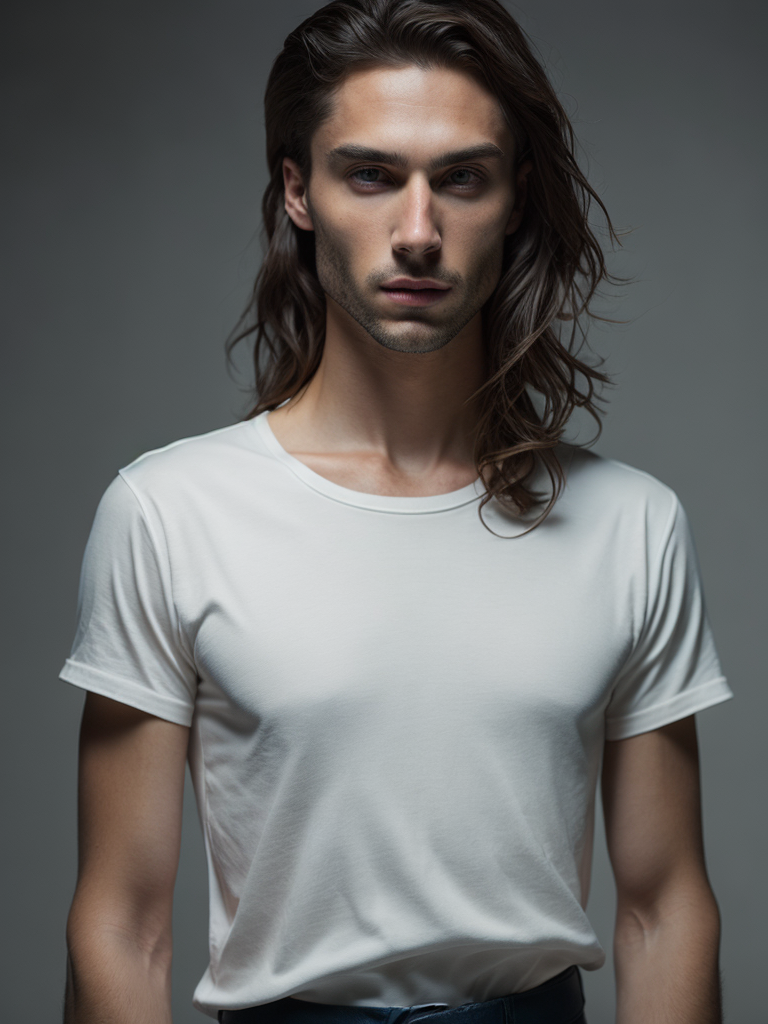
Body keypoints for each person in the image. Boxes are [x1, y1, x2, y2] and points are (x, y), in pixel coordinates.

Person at [59, 1, 734, 1022]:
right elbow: (121, 920)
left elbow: (664, 905)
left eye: (461, 179)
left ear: (512, 200)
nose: (417, 232)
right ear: (299, 190)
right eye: (371, 174)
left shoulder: (630, 524)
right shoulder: (168, 511)